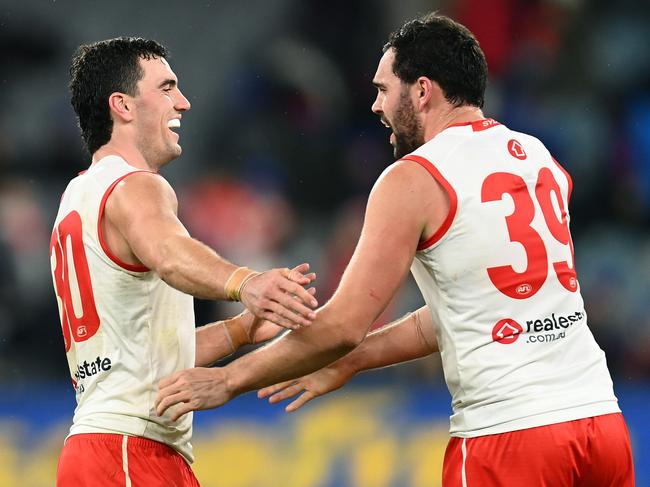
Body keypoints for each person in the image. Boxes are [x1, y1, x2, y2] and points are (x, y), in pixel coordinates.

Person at [155, 14, 635, 486]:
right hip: (601, 423)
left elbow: (342, 324)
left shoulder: (414, 177)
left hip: (510, 433)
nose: (375, 106)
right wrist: (352, 361)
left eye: (384, 89)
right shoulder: (537, 156)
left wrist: (229, 380)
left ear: (422, 91)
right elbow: (463, 311)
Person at [49, 37, 319, 487]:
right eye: (167, 87)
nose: (184, 102)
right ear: (123, 105)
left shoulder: (77, 197)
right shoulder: (138, 185)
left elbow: (141, 354)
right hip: (131, 452)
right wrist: (246, 282)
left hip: (98, 447)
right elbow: (170, 257)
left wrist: (240, 329)